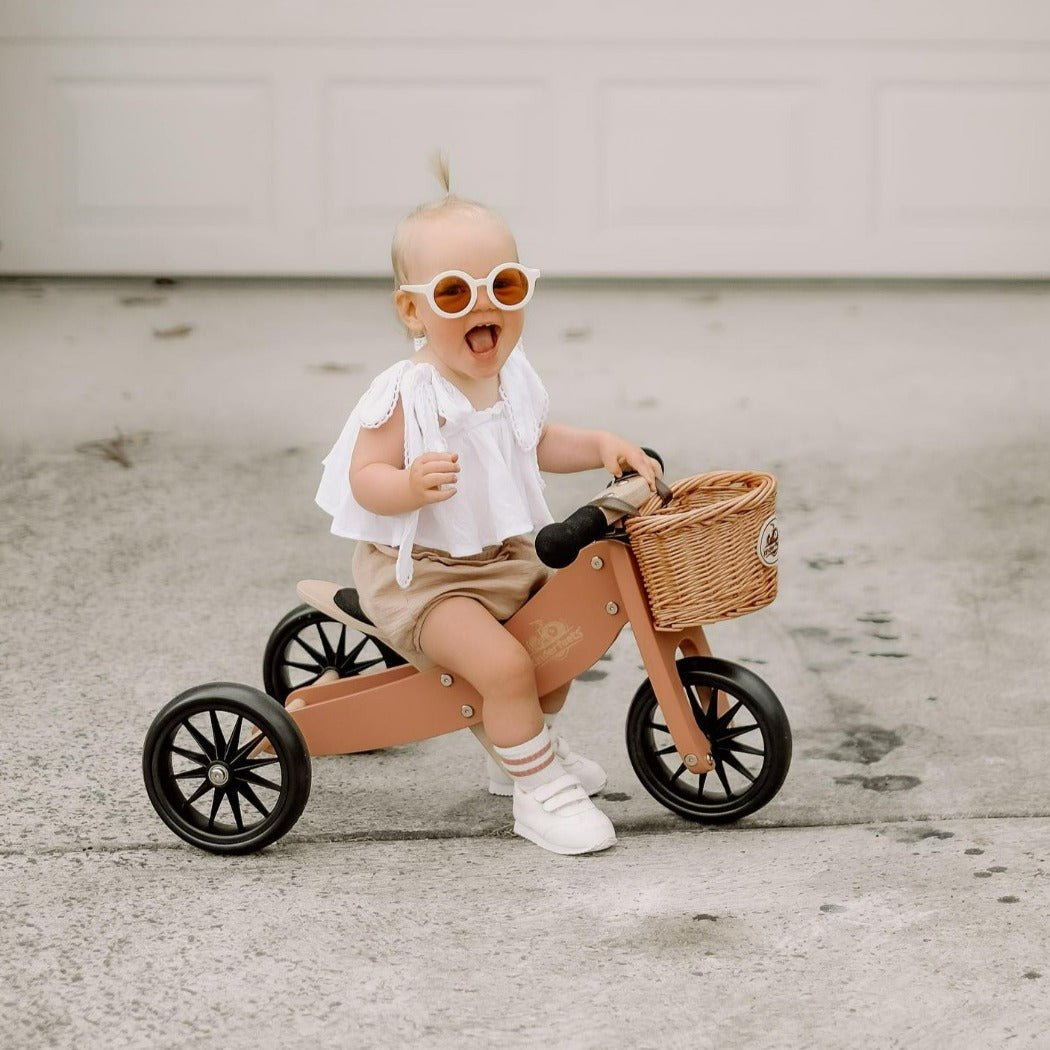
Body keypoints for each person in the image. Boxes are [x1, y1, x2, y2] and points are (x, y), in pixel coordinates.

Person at [314, 158, 661, 856]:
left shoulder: (511, 377)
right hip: (425, 579)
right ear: (412, 311)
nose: (483, 308)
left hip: (499, 559)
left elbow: (535, 441)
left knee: (563, 639)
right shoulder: (407, 393)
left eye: (502, 285)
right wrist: (407, 485)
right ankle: (537, 793)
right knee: (503, 668)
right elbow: (364, 476)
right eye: (452, 294)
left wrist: (598, 444)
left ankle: (523, 750)